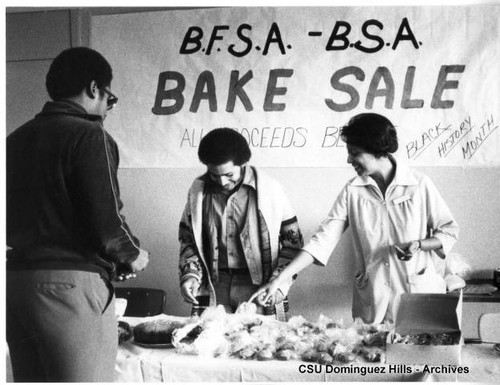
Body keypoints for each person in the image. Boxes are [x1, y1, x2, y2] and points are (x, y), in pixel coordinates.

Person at [6, 47, 149, 382]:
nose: (107, 110)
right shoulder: (89, 134)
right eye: (110, 100)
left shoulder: (14, 139)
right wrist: (133, 256)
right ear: (95, 88)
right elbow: (107, 221)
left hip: (14, 284)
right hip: (69, 286)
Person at [251, 113, 459, 324]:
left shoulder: (419, 185)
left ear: (378, 151)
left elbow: (449, 230)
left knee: (416, 352)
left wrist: (420, 244)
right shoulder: (353, 191)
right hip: (373, 298)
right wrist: (280, 279)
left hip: (417, 295)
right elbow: (322, 241)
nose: (349, 160)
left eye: (355, 153)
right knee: (371, 353)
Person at [178, 128, 303, 320]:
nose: (221, 181)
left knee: (261, 346)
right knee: (210, 344)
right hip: (215, 284)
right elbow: (188, 241)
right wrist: (190, 276)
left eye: (229, 174)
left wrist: (281, 283)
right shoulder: (198, 192)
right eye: (213, 174)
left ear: (243, 163)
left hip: (259, 287)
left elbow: (292, 245)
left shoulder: (271, 190)